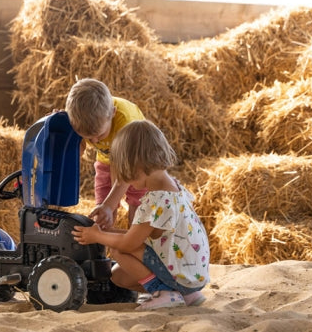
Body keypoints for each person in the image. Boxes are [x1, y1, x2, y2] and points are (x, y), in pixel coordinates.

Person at [72, 120, 210, 310]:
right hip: (192, 275)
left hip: (180, 275)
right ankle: (187, 296)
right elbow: (145, 236)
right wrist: (110, 231)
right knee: (118, 275)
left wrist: (97, 236)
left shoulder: (155, 202)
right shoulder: (175, 189)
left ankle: (165, 293)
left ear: (135, 167)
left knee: (119, 251)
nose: (124, 180)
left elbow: (128, 244)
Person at [65, 78, 146, 228]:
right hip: (106, 160)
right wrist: (62, 127)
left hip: (136, 161)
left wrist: (110, 205)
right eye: (88, 137)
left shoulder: (127, 123)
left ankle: (134, 244)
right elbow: (77, 150)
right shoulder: (80, 118)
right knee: (102, 208)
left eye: (99, 135)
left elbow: (126, 175)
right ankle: (105, 247)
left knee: (137, 203)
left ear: (113, 113)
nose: (94, 141)